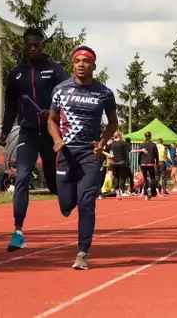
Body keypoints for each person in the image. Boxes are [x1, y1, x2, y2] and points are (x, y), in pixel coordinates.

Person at [47, 45, 118, 270]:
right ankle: (67, 203)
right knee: (66, 203)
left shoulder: (104, 93)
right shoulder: (60, 90)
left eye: (86, 61)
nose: (81, 64)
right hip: (67, 152)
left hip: (90, 153)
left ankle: (82, 252)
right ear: (72, 64)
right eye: (77, 60)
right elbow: (51, 119)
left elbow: (113, 122)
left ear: (93, 66)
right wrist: (57, 139)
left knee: (87, 202)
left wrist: (103, 143)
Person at [0, 27, 67, 252]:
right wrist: (5, 131)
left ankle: (66, 199)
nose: (33, 48)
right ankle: (18, 231)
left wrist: (54, 114)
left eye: (37, 44)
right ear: (24, 46)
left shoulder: (55, 70)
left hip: (51, 134)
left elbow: (66, 100)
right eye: (29, 45)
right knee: (22, 176)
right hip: (27, 133)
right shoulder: (16, 74)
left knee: (55, 184)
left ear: (42, 45)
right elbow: (10, 106)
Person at [131, 131, 159, 200]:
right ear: (150, 136)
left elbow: (140, 155)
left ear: (145, 136)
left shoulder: (142, 145)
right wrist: (157, 162)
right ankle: (152, 192)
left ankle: (146, 194)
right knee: (152, 178)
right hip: (151, 163)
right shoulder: (153, 145)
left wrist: (139, 163)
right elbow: (156, 154)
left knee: (145, 179)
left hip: (143, 163)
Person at [105, 132, 129, 200]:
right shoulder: (123, 143)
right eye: (121, 135)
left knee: (116, 178)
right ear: (119, 136)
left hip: (114, 163)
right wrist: (127, 163)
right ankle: (120, 193)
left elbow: (104, 150)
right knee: (122, 178)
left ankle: (117, 194)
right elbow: (126, 154)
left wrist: (109, 155)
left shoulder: (112, 144)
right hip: (122, 163)